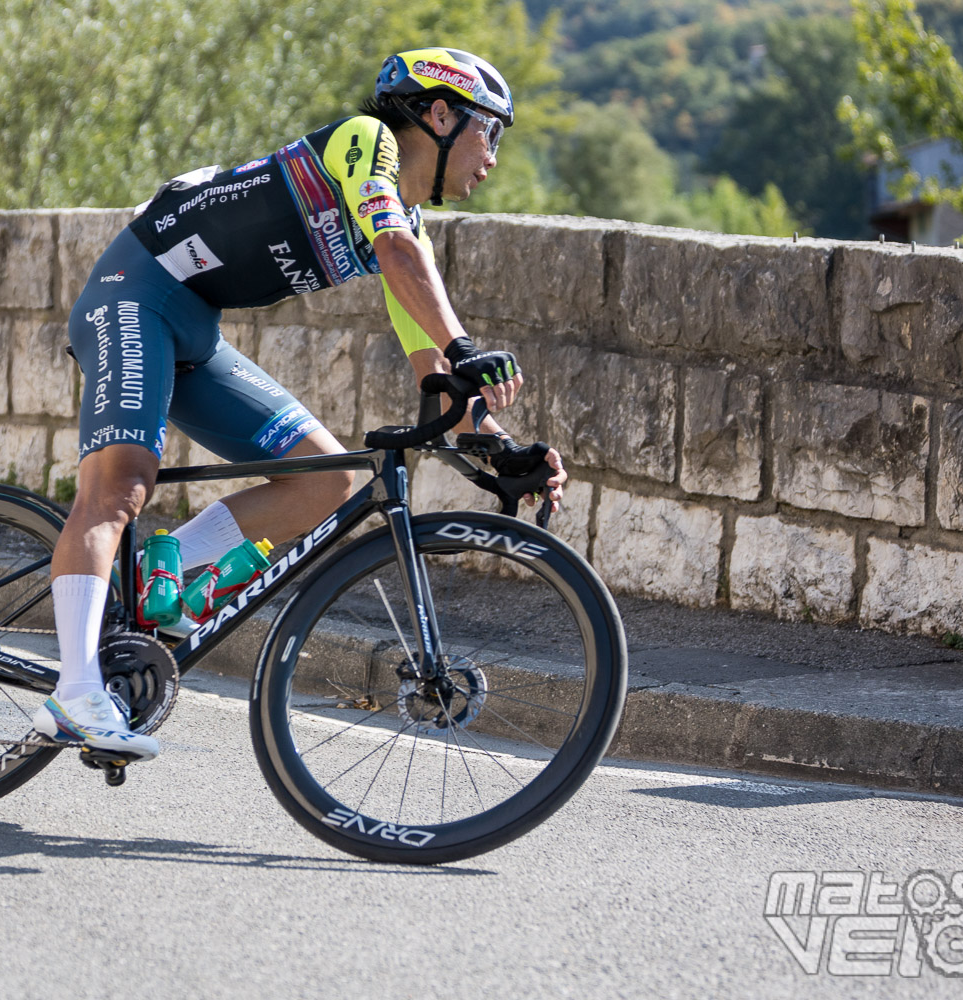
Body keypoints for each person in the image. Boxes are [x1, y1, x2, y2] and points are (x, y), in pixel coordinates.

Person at [34, 48, 567, 761]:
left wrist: (497, 445)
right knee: (121, 486)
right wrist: (468, 342)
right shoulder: (365, 144)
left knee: (324, 479)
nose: (493, 157)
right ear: (439, 115)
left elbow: (434, 366)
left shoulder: (409, 227)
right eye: (489, 132)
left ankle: (139, 581)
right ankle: (73, 694)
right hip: (134, 291)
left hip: (192, 325)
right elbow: (400, 259)